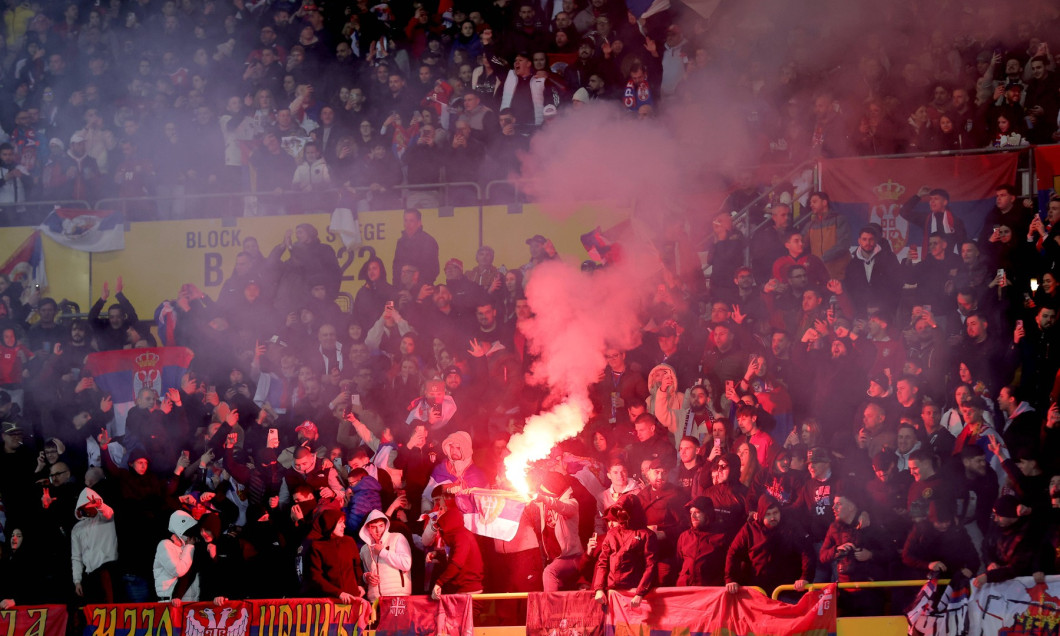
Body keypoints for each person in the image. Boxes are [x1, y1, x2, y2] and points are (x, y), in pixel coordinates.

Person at [724, 494, 814, 597]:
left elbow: (806, 551)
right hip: (758, 590)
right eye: (768, 514)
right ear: (761, 514)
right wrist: (730, 579)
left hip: (785, 591)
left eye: (775, 513)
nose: (772, 518)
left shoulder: (791, 527)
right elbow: (733, 552)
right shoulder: (749, 529)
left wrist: (805, 577)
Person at [592, 506, 657, 608]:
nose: (610, 524)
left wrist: (640, 592)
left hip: (634, 589)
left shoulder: (645, 534)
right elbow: (602, 563)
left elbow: (650, 565)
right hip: (611, 591)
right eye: (608, 521)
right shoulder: (610, 534)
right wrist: (599, 589)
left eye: (613, 520)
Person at [71, 487, 119, 603]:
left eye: (90, 506)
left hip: (107, 572)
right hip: (90, 576)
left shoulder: (106, 519)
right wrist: (77, 581)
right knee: (93, 610)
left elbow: (108, 513)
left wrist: (100, 505)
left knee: (109, 609)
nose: (88, 510)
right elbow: (76, 557)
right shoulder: (77, 529)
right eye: (85, 508)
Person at [306, 508, 363, 603]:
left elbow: (357, 566)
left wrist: (360, 585)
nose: (344, 526)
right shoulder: (317, 546)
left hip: (353, 597)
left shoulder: (349, 541)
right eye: (340, 523)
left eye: (344, 522)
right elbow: (316, 577)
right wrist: (338, 593)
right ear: (330, 524)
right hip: (331, 600)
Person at [358, 510, 411, 601]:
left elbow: (406, 564)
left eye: (381, 526)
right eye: (373, 527)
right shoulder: (364, 549)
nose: (378, 531)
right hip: (374, 599)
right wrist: (366, 577)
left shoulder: (397, 537)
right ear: (367, 528)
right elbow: (366, 572)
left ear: (386, 525)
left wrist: (382, 552)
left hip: (398, 596)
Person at [676, 496, 727, 586]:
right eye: (691, 512)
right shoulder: (684, 536)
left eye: (697, 512)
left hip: (708, 589)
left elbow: (727, 566)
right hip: (684, 587)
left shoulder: (721, 537)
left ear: (707, 514)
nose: (693, 516)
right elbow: (679, 562)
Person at [153, 511, 199, 602]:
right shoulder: (165, 545)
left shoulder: (188, 546)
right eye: (188, 532)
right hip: (169, 601)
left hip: (188, 601)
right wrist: (189, 546)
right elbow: (178, 570)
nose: (190, 536)